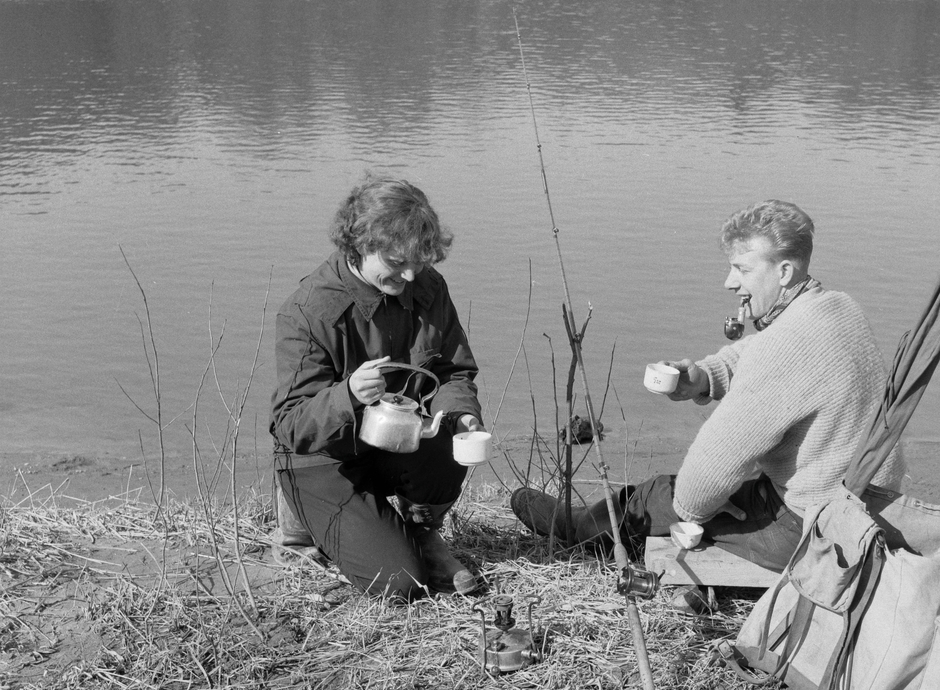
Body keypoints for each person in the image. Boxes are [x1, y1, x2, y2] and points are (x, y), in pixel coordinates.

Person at [510, 200, 905, 600]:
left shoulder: (786, 345)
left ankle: (578, 532)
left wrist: (693, 511)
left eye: (743, 269)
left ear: (784, 271)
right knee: (744, 478)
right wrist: (705, 377)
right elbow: (766, 353)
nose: (729, 283)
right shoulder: (838, 309)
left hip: (815, 530)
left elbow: (710, 470)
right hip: (875, 507)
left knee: (658, 494)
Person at [271, 175, 484, 598]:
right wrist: (347, 393)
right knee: (400, 585)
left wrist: (463, 415)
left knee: (449, 442)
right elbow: (290, 425)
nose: (408, 274)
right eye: (395, 261)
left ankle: (423, 533)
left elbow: (451, 371)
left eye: (417, 262)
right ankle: (301, 521)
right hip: (321, 459)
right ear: (359, 243)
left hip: (391, 439)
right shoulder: (308, 310)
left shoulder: (426, 287)